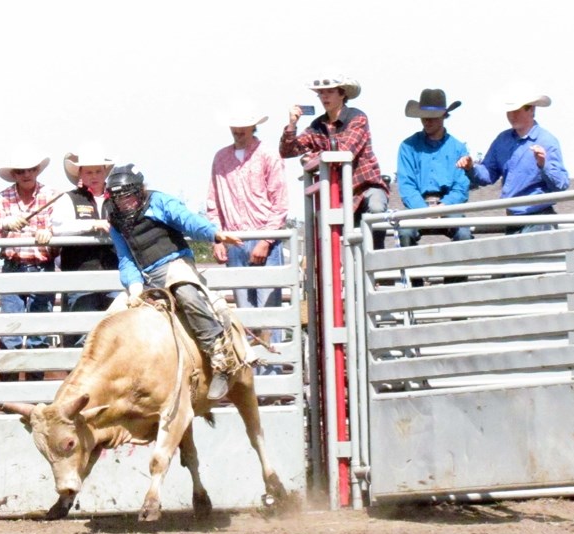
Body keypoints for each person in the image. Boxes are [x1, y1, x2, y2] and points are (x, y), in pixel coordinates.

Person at [105, 164, 243, 400]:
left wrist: (214, 234)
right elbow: (125, 258)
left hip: (174, 265)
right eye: (119, 198)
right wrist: (134, 284)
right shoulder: (116, 222)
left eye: (127, 196)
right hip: (145, 276)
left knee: (187, 295)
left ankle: (221, 357)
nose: (124, 202)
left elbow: (186, 220)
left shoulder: (160, 202)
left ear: (138, 191)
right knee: (112, 317)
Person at [206, 109, 288, 371]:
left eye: (243, 127)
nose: (238, 131)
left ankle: (273, 373)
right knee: (243, 314)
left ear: (253, 127)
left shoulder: (268, 155)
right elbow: (213, 202)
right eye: (235, 127)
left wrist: (266, 240)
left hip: (264, 239)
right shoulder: (221, 158)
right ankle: (254, 375)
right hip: (234, 239)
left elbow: (280, 202)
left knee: (269, 312)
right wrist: (216, 238)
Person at [280, 72, 389, 248]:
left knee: (376, 209)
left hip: (365, 187)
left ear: (342, 93)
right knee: (330, 231)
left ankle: (376, 262)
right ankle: (348, 268)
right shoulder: (318, 125)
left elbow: (344, 151)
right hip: (337, 194)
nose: (324, 97)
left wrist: (312, 157)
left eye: (329, 92)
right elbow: (288, 151)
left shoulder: (357, 117)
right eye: (321, 93)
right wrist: (292, 124)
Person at [0, 150, 59, 381]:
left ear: (37, 171)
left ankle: (34, 391)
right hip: (13, 265)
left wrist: (52, 233)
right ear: (14, 174)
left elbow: (62, 226)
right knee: (10, 332)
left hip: (42, 265)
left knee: (39, 335)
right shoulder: (2, 198)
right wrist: (5, 226)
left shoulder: (52, 196)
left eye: (30, 169)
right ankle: (10, 394)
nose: (26, 174)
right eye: (21, 171)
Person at [456, 89, 569, 234]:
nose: (511, 116)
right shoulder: (502, 140)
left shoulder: (547, 141)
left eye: (516, 110)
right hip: (513, 220)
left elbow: (561, 184)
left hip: (540, 219)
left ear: (531, 109)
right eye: (509, 111)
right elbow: (488, 174)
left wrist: (543, 164)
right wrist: (471, 168)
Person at [54, 146, 119, 346]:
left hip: (115, 275)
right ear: (80, 173)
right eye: (89, 171)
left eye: (98, 171)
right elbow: (58, 227)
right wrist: (92, 224)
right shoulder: (69, 198)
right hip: (80, 276)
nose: (94, 176)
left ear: (105, 172)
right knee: (81, 335)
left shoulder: (118, 198)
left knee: (116, 334)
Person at [396, 89, 473, 249]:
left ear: (444, 116)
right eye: (424, 117)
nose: (427, 121)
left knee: (464, 234)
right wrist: (424, 211)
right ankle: (413, 275)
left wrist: (443, 206)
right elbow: (406, 185)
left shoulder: (458, 148)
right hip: (417, 206)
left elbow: (461, 187)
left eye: (432, 117)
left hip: (449, 207)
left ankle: (456, 274)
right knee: (404, 234)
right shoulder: (408, 147)